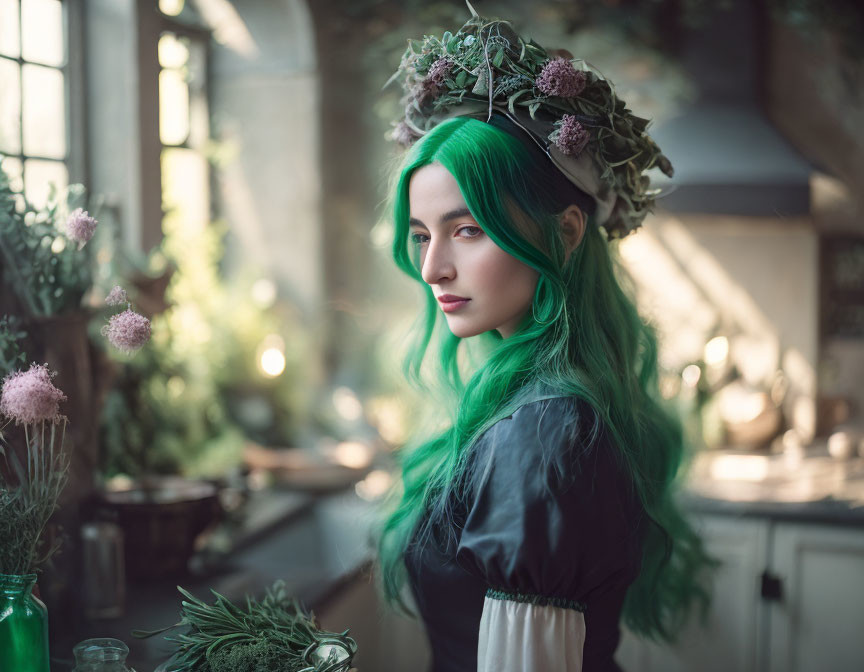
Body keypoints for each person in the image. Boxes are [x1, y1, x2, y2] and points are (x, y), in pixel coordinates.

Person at [372, 5, 721, 671]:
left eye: (467, 229)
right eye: (421, 235)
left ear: (564, 232)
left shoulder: (542, 434)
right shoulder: (549, 407)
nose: (431, 267)